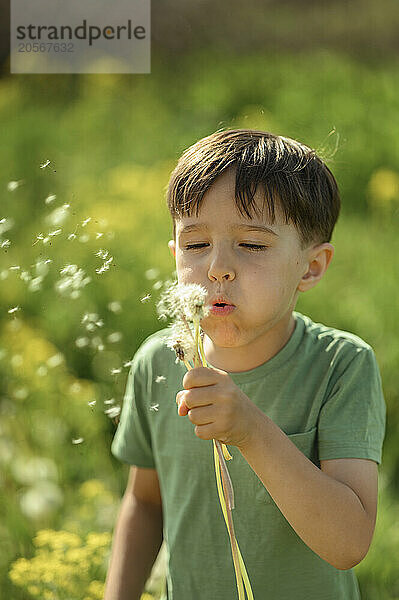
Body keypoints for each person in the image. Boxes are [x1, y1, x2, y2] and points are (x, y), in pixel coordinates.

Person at [104, 129, 386, 600]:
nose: (217, 268)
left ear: (311, 267)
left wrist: (252, 430)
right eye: (195, 245)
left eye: (252, 245)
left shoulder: (341, 366)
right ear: (174, 256)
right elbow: (145, 503)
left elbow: (349, 542)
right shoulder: (159, 359)